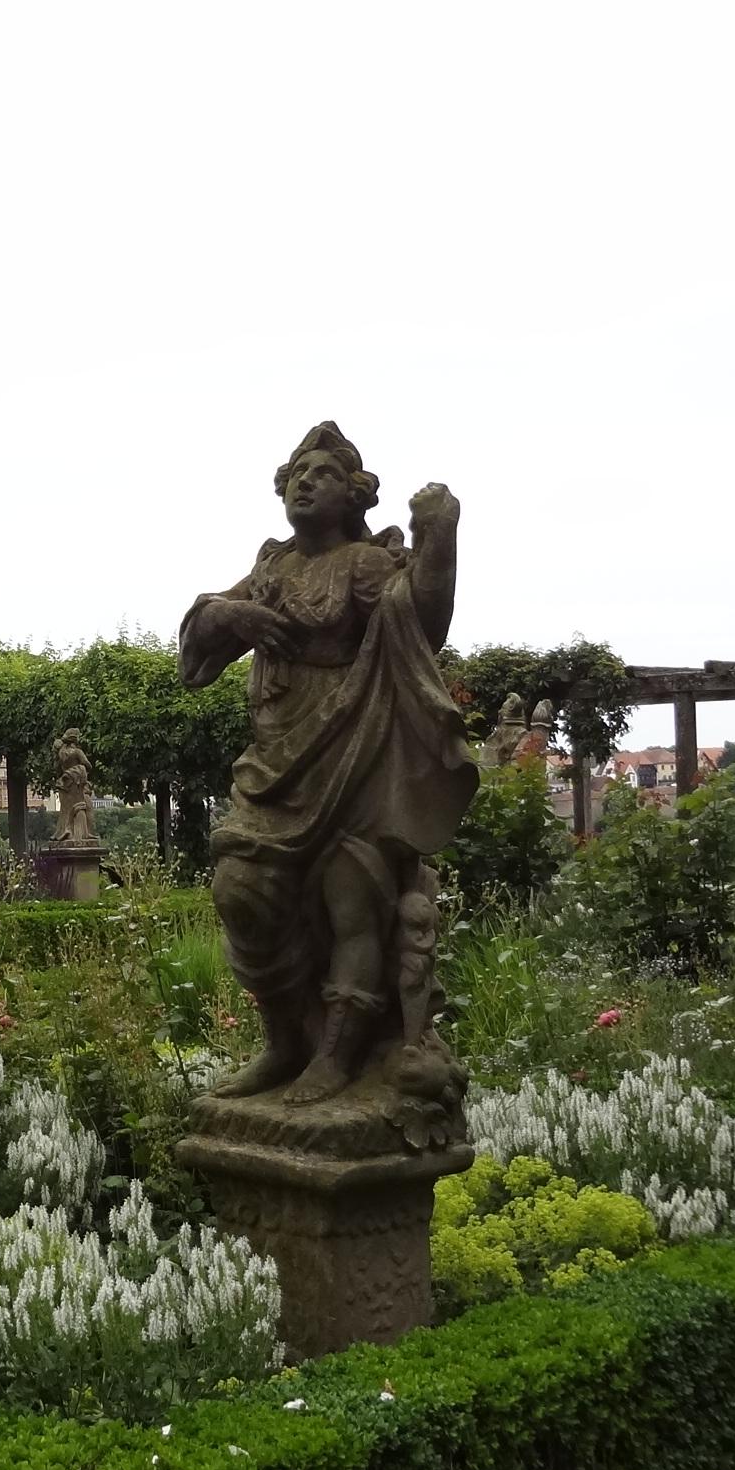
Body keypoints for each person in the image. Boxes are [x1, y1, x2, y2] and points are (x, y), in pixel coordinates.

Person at [178, 422, 477, 1105]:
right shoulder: (271, 569)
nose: (306, 482)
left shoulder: (366, 565)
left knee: (353, 902)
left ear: (354, 496)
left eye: (324, 474)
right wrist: (233, 615)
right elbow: (198, 653)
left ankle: (338, 1058)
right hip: (277, 760)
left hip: (354, 751)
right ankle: (285, 1043)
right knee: (240, 891)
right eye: (297, 474)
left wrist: (439, 539)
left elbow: (421, 623)